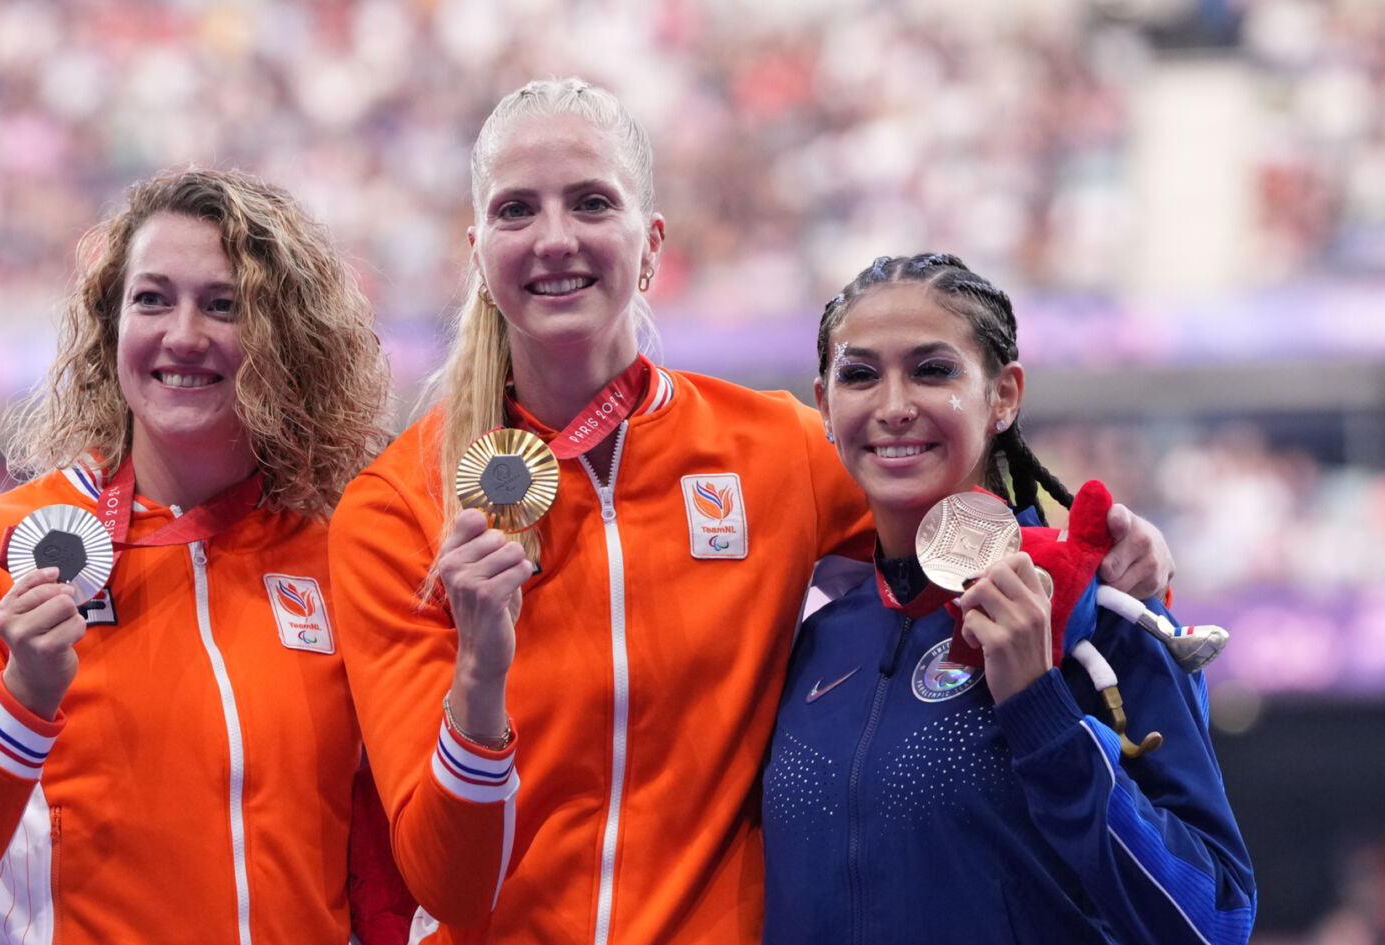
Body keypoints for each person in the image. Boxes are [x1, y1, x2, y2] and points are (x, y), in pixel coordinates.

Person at [327, 79, 1174, 944]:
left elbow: (955, 529)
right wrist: (480, 673)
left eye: (591, 203)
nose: (555, 239)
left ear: (651, 244)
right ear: (477, 249)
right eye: (517, 210)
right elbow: (449, 883)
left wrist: (1097, 547)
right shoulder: (400, 508)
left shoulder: (775, 448)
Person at [0, 167, 411, 944]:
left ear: (286, 339)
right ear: (111, 323)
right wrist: (21, 698)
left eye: (224, 304)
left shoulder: (338, 556)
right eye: (152, 298)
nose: (183, 334)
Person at [762, 253, 1256, 943]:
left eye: (933, 370)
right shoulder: (811, 640)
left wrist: (1042, 712)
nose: (895, 405)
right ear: (824, 404)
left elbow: (1217, 920)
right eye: (860, 374)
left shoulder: (1100, 615)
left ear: (1004, 395)